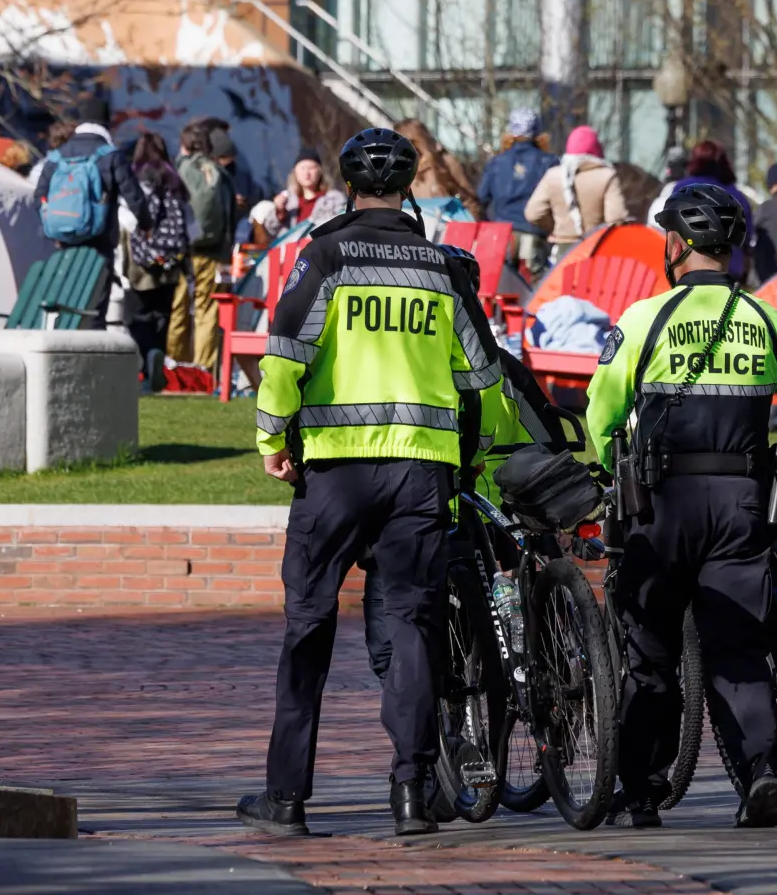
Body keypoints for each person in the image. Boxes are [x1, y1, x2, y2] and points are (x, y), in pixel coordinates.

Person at [236, 127, 505, 839]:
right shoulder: (439, 266)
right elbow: (482, 373)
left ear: (347, 185)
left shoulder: (323, 254)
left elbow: (284, 357)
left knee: (308, 629)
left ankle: (286, 800)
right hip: (420, 473)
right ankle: (413, 795)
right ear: (408, 186)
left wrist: (271, 440)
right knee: (413, 625)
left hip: (335, 475)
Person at [588, 183, 777, 830]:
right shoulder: (764, 318)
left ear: (676, 246)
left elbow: (601, 413)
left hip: (663, 508)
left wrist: (611, 472)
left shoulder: (644, 319)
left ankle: (641, 792)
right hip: (744, 507)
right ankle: (761, 774)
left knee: (651, 654)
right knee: (739, 649)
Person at [35, 117, 152, 323]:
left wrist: (53, 225)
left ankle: (66, 342)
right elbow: (134, 195)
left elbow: (39, 196)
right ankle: (93, 342)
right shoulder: (111, 155)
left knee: (68, 299)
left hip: (64, 242)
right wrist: (146, 225)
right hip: (101, 240)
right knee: (95, 306)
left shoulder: (56, 157)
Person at [123, 132, 192, 393]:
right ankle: (157, 360)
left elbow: (131, 219)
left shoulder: (136, 178)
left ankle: (147, 360)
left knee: (136, 315)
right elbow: (189, 224)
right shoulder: (175, 181)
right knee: (162, 315)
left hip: (142, 263)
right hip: (171, 262)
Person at [170, 120, 235, 375]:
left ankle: (173, 367)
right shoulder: (219, 174)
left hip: (182, 252)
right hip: (214, 253)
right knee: (207, 309)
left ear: (184, 145)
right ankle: (204, 370)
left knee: (178, 308)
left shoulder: (178, 169)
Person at [648, 140, 754, 280]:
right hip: (729, 273)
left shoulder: (679, 189)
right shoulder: (737, 196)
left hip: (686, 271)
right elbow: (748, 239)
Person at [524, 125, 628, 258]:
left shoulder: (553, 175)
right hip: (597, 247)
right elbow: (615, 218)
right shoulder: (606, 176)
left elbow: (533, 213)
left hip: (562, 249)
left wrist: (556, 226)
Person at [478, 108, 559, 275]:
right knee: (535, 285)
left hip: (502, 235)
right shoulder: (549, 162)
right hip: (534, 232)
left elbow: (480, 199)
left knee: (502, 287)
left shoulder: (496, 162)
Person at [394, 117, 480, 213]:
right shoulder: (397, 169)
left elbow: (471, 201)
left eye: (413, 142)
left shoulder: (446, 163)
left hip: (444, 222)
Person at [272, 150, 346, 230]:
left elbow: (343, 226)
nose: (307, 173)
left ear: (320, 171)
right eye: (302, 168)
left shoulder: (334, 199)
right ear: (295, 173)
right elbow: (271, 232)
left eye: (311, 168)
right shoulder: (288, 203)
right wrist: (279, 211)